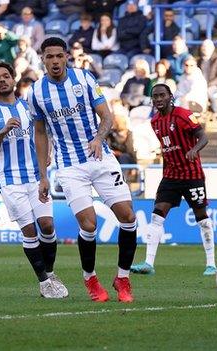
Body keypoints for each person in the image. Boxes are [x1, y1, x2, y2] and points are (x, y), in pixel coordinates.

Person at [29, 37, 137, 303]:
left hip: (100, 158)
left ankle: (122, 278)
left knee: (128, 217)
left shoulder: (84, 79)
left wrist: (99, 138)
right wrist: (43, 175)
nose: (54, 61)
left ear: (66, 56)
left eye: (59, 56)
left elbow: (107, 116)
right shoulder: (36, 92)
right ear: (42, 59)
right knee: (88, 223)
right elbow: (40, 134)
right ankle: (90, 278)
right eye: (49, 57)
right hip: (69, 166)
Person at [0, 61, 68, 298]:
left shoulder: (30, 107)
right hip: (9, 180)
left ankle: (49, 274)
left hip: (36, 176)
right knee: (29, 231)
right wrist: (3, 131)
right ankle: (43, 282)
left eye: (6, 76)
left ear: (14, 79)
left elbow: (43, 134)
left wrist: (45, 161)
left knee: (47, 226)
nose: (2, 80)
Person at [130, 83, 216, 276]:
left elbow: (203, 137)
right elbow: (166, 149)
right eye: (155, 97)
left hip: (192, 175)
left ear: (170, 97)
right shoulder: (154, 122)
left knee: (202, 218)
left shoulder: (184, 115)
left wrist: (194, 149)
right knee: (157, 215)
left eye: (162, 95)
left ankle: (211, 263)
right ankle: (148, 263)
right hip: (170, 175)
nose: (158, 99)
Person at [198, 39, 217, 120]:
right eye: (203, 47)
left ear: (212, 48)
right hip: (202, 85)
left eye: (207, 47)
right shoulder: (199, 61)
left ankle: (215, 111)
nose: (205, 49)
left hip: (216, 85)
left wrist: (208, 85)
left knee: (207, 92)